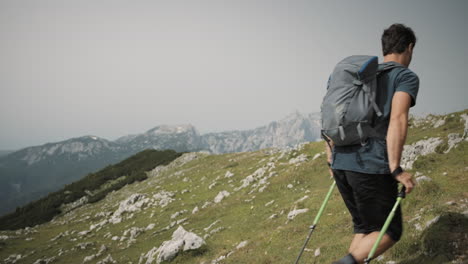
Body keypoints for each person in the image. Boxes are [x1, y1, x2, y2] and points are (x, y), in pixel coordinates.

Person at [327, 23, 419, 264]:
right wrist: (396, 169)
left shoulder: (362, 77)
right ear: (409, 48)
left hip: (341, 161)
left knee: (365, 229)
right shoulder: (404, 76)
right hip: (370, 164)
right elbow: (398, 119)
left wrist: (331, 154)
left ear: (385, 47)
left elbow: (334, 113)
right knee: (390, 231)